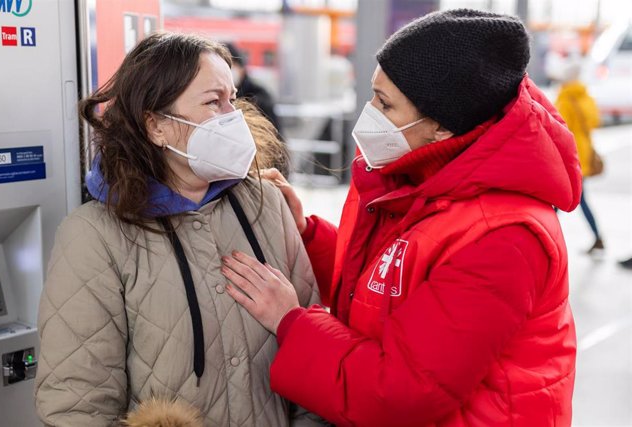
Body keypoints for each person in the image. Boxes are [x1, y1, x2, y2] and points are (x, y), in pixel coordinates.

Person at [221, 9, 581, 427]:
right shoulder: (423, 178)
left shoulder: (503, 236)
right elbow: (394, 283)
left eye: (385, 104)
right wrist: (307, 235)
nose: (368, 113)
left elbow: (402, 392)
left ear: (443, 128)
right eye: (374, 93)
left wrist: (290, 321)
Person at [34, 32, 324, 427]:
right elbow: (76, 405)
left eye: (231, 100)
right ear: (155, 126)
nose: (231, 117)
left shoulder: (265, 205)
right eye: (212, 103)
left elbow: (314, 363)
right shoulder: (94, 237)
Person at [554, 59, 605, 254]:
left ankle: (597, 237)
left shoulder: (566, 98)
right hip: (584, 153)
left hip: (569, 157)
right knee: (574, 198)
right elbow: (595, 122)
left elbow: (558, 128)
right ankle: (597, 237)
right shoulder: (586, 97)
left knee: (568, 199)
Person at [225, 42, 281, 132]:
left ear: (241, 68)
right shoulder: (215, 98)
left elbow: (275, 135)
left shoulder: (259, 97)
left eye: (230, 66)